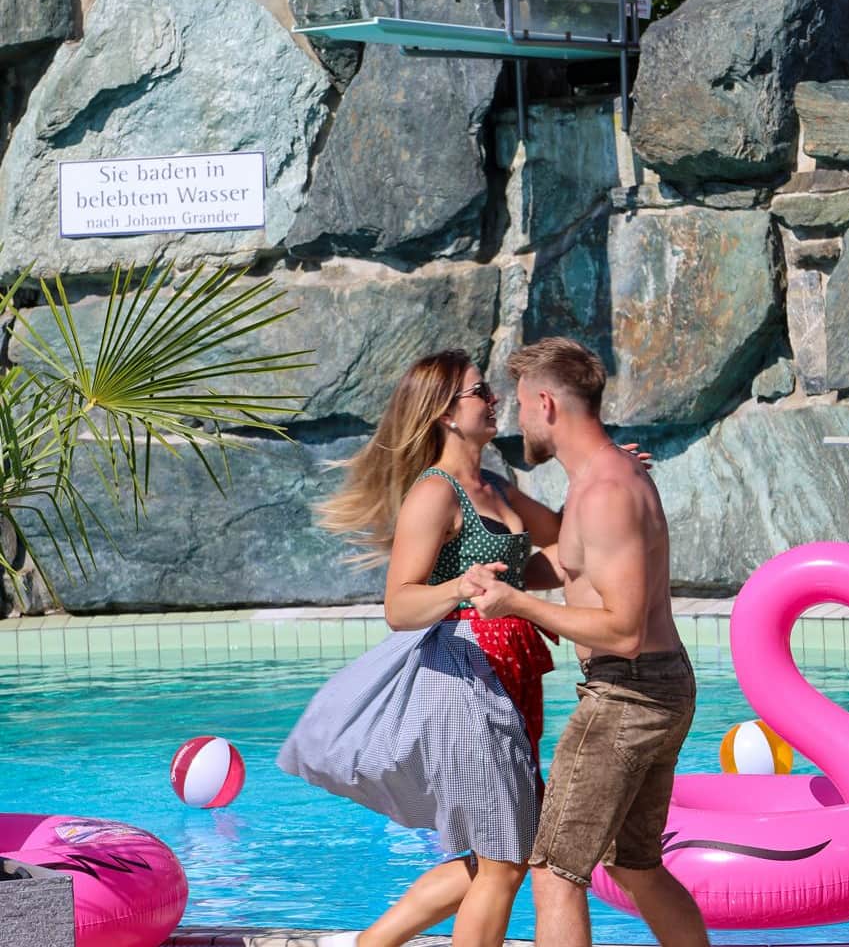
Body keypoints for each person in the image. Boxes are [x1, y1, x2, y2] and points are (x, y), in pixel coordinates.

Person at [277, 348, 567, 947]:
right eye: (479, 391)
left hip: (514, 677)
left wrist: (617, 477)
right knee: (506, 860)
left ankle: (371, 945)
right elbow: (400, 605)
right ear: (445, 413)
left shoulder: (496, 486)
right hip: (464, 677)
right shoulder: (435, 494)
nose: (492, 400)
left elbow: (561, 541)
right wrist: (459, 585)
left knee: (508, 849)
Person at [466, 336, 711, 947]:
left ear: (546, 404)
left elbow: (623, 630)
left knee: (554, 872)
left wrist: (518, 606)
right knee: (634, 865)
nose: (514, 418)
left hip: (627, 695)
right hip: (656, 688)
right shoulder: (598, 478)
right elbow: (570, 566)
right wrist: (494, 566)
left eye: (520, 404)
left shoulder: (603, 492)